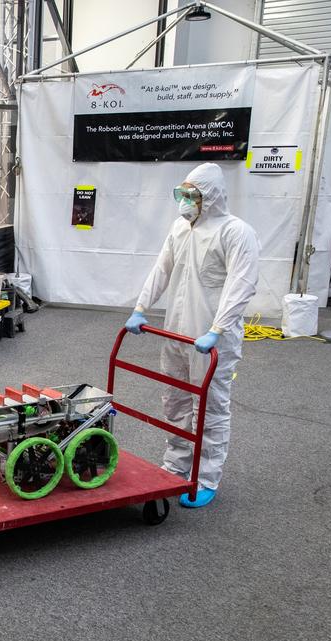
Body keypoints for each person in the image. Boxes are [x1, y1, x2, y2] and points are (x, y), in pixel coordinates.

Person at [125, 162, 259, 508]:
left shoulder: (235, 232)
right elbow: (162, 269)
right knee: (176, 401)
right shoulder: (180, 228)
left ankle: (206, 476)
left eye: (192, 194)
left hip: (212, 339)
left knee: (210, 407)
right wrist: (141, 308)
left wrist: (217, 330)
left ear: (210, 196)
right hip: (177, 335)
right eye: (182, 193)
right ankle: (176, 464)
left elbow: (240, 284)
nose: (185, 201)